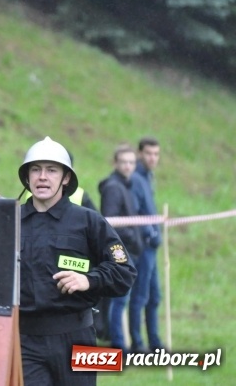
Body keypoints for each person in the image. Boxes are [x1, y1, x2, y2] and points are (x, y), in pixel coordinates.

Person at [18, 137, 136, 385]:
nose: (42, 177)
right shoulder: (10, 222)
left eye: (51, 170)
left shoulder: (88, 221)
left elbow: (124, 272)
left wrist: (89, 280)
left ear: (66, 178)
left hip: (78, 336)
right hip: (25, 341)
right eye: (36, 169)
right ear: (27, 177)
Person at [98, 143, 143, 354]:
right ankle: (118, 345)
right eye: (123, 162)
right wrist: (132, 238)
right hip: (120, 250)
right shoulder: (114, 188)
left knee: (123, 299)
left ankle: (121, 342)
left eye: (131, 162)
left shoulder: (125, 185)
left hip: (129, 248)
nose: (128, 166)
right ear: (115, 163)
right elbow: (111, 222)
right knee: (120, 299)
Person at [128, 136, 164, 353]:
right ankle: (137, 342)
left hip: (152, 247)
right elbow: (134, 213)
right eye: (149, 153)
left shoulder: (148, 178)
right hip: (142, 247)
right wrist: (150, 235)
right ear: (140, 153)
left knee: (154, 296)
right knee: (140, 295)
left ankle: (155, 341)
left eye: (156, 154)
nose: (152, 158)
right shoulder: (135, 179)